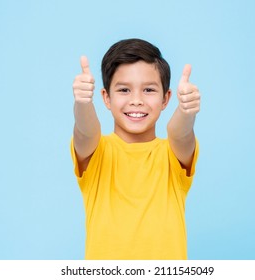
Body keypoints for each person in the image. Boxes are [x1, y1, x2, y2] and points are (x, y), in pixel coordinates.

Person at [71, 38, 201, 259]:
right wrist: (83, 103)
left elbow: (180, 133)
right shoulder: (97, 152)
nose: (137, 100)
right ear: (106, 97)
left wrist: (187, 111)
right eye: (124, 90)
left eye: (149, 89)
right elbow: (85, 131)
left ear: (165, 98)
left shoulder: (172, 154)